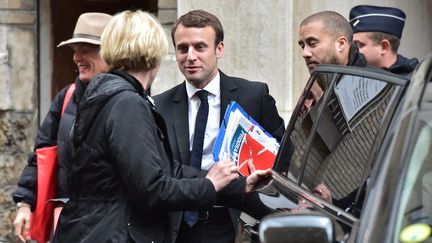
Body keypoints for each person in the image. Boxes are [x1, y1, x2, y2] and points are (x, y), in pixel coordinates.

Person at [51, 10, 271, 243]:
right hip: (110, 233)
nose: (189, 56)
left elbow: (166, 169)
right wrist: (208, 185)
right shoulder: (127, 102)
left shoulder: (109, 94)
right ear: (155, 54)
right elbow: (152, 189)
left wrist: (237, 184)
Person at [153, 9, 285, 243]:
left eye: (200, 47)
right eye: (182, 48)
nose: (190, 56)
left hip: (232, 221)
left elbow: (283, 157)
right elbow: (161, 170)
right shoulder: (160, 105)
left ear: (219, 49)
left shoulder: (254, 96)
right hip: (177, 225)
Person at [12, 12, 112, 242]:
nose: (77, 57)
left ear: (111, 52)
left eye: (86, 49)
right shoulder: (66, 97)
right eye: (75, 49)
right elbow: (42, 154)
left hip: (108, 226)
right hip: (66, 223)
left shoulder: (129, 100)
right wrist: (25, 203)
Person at [349, 5, 419, 76]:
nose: (352, 50)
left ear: (384, 47)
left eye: (358, 45)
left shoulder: (417, 80)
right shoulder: (351, 74)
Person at [298, 10, 367, 74]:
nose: (305, 53)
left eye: (312, 43)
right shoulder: (315, 83)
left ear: (341, 44)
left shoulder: (370, 83)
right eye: (303, 46)